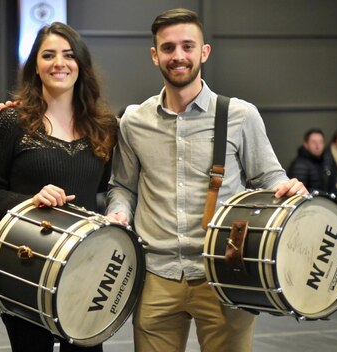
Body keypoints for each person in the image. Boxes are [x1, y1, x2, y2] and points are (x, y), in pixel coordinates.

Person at [106, 8, 308, 352]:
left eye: (188, 46)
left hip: (225, 274)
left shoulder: (240, 115)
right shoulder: (134, 121)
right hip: (156, 274)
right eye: (168, 48)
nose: (178, 56)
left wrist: (290, 189)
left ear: (204, 52)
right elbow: (122, 186)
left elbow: (269, 176)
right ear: (155, 56)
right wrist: (119, 212)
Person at [0, 22, 116, 352]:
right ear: (35, 67)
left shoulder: (105, 126)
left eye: (68, 55)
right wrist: (29, 201)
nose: (59, 63)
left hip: (85, 269)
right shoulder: (11, 121)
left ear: (81, 64)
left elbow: (110, 189)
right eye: (48, 55)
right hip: (25, 266)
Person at [287, 128, 336, 194]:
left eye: (320, 142)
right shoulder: (299, 165)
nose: (317, 146)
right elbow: (299, 192)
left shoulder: (326, 162)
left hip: (323, 201)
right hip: (310, 202)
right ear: (306, 144)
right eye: (313, 142)